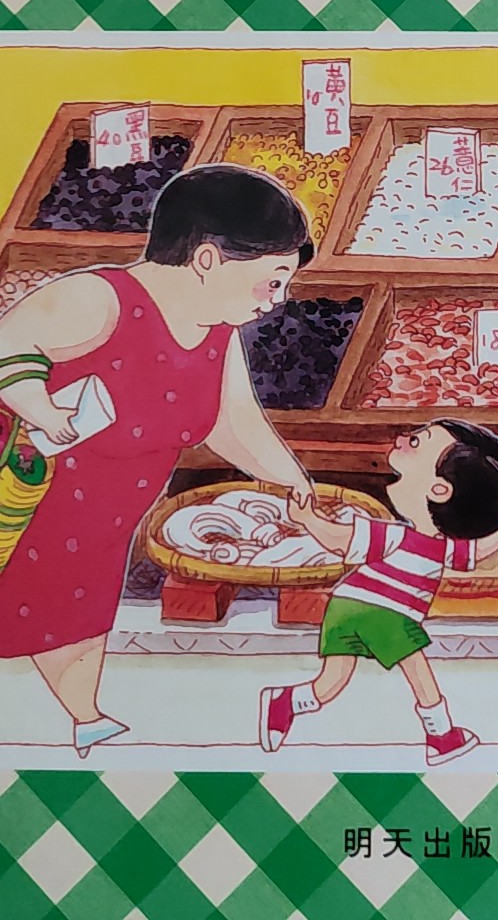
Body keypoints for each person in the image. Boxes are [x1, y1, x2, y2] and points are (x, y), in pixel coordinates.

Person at [0, 162, 315, 756]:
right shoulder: (99, 299)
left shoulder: (216, 329)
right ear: (207, 259)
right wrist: (38, 406)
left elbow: (232, 421)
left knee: (81, 609)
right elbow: (8, 345)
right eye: (271, 282)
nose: (277, 302)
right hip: (23, 499)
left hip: (102, 521)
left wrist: (291, 479)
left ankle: (86, 719)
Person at [259, 421, 498, 765]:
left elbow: (497, 538)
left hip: (349, 609)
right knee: (418, 671)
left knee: (331, 683)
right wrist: (308, 519)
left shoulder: (428, 545)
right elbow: (341, 540)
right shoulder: (397, 537)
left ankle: (284, 703)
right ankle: (441, 737)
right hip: (380, 610)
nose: (400, 439)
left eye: (416, 442)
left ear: (439, 490)